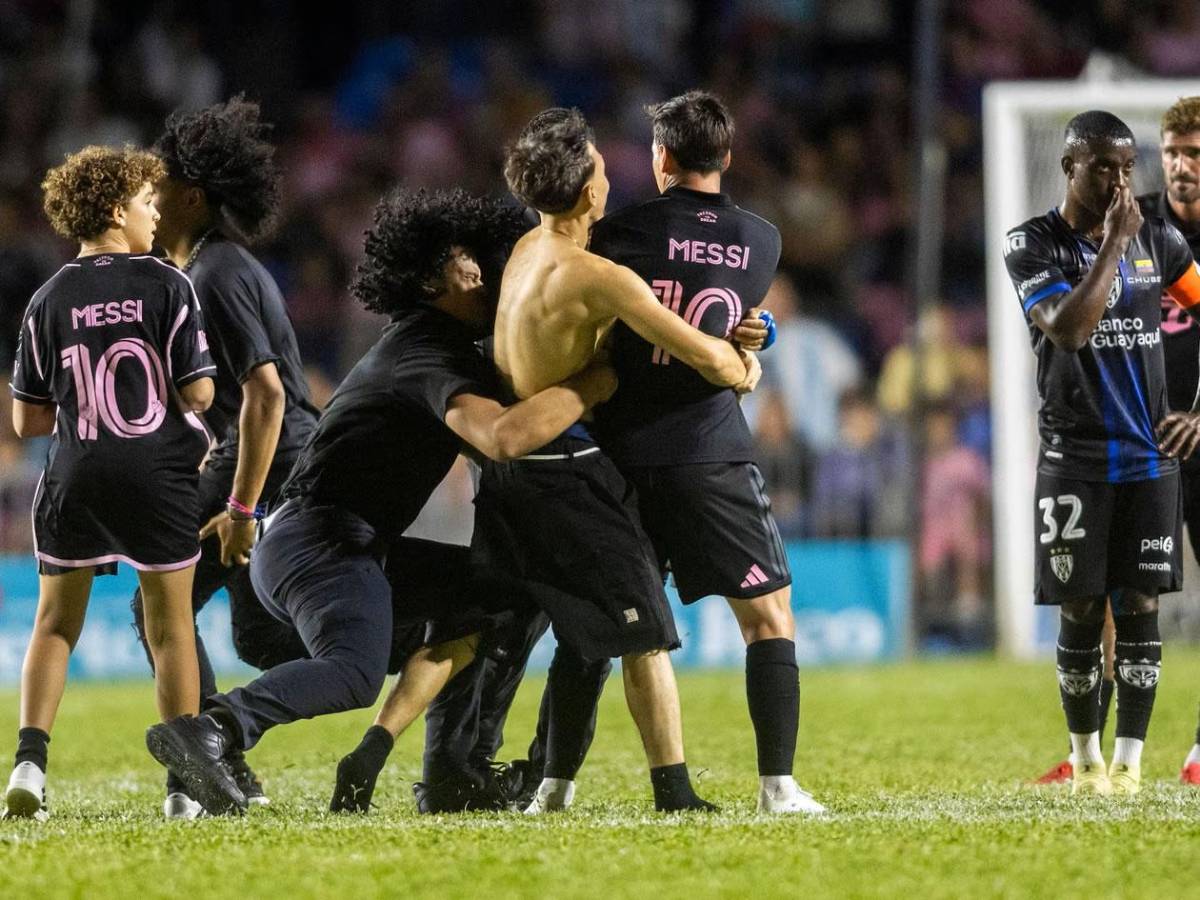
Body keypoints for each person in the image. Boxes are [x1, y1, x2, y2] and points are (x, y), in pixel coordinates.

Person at [142, 188, 617, 814]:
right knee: (354, 673)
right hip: (319, 542)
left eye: (478, 256)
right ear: (427, 280)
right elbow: (504, 437)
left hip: (352, 541)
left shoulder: (442, 344)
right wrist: (598, 380)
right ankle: (212, 728)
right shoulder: (423, 353)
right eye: (461, 261)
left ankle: (453, 774)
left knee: (503, 590)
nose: (479, 269)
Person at [468, 106, 763, 815]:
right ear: (586, 193)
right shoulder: (598, 276)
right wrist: (747, 361)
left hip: (508, 474)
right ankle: (675, 791)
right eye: (600, 168)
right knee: (647, 631)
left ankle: (541, 784)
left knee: (569, 637)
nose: (609, 175)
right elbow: (704, 354)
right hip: (565, 469)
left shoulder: (523, 252)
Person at [5, 146, 217, 818]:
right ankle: (183, 788)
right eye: (148, 203)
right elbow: (202, 393)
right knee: (171, 627)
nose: (157, 214)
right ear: (117, 209)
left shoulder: (49, 296)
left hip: (76, 475)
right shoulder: (167, 283)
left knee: (54, 626)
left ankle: (30, 768)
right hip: (158, 475)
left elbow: (26, 420)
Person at [127, 96, 319, 819]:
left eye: (158, 183)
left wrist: (242, 508)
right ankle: (226, 758)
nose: (147, 194)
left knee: (158, 603)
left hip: (271, 461)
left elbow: (266, 396)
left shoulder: (216, 273)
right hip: (259, 456)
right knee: (260, 636)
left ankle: (205, 766)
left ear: (192, 195)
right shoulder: (198, 271)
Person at [1003, 110, 1200, 797]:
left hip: (1150, 460)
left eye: (1125, 168)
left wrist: (1196, 409)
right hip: (1076, 460)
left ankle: (1129, 764)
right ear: (1069, 168)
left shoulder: (1161, 243)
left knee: (1140, 603)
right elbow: (1067, 329)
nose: (1119, 181)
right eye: (1102, 168)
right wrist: (1115, 246)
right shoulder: (1032, 244)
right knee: (1083, 607)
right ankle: (1083, 758)